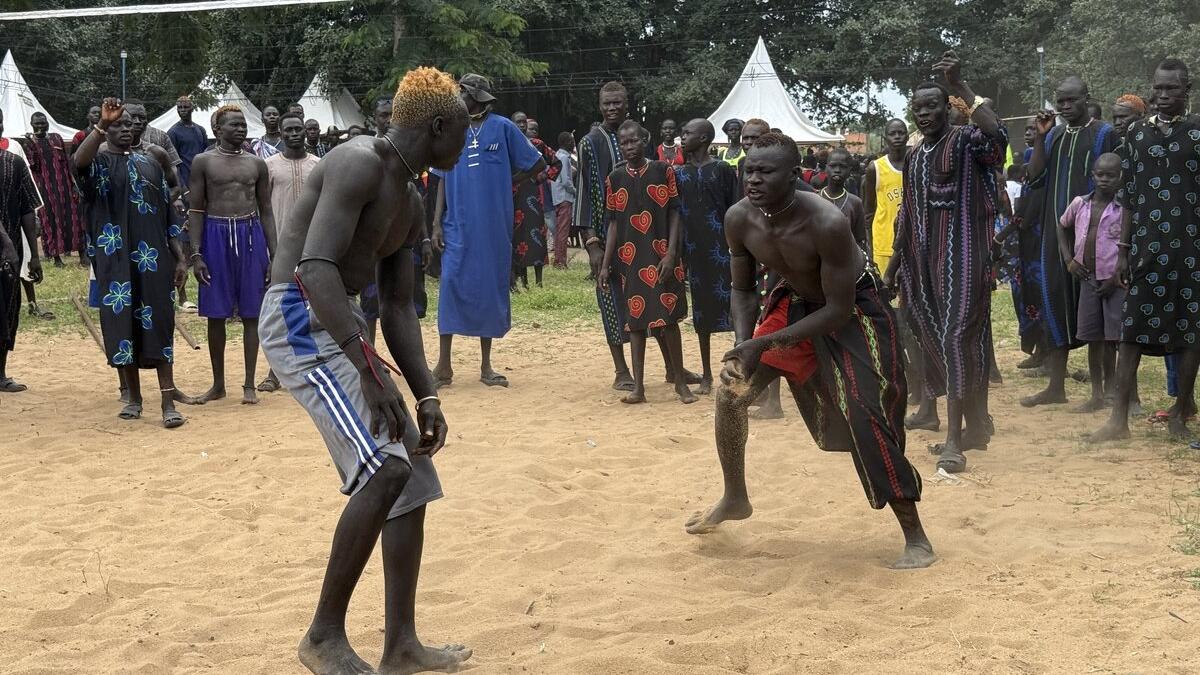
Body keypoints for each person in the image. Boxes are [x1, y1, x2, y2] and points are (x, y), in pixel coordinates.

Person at [259, 66, 469, 675]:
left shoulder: (408, 195)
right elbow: (313, 269)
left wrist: (425, 394)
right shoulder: (357, 163)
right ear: (437, 126)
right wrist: (372, 372)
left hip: (338, 321)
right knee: (384, 469)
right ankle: (323, 636)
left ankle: (400, 647)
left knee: (414, 474)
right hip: (299, 319)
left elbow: (399, 305)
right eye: (462, 131)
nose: (466, 143)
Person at [684, 132, 932, 569]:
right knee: (731, 394)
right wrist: (744, 348)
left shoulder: (826, 221)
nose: (753, 179)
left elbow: (837, 310)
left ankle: (915, 535)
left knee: (864, 414)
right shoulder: (739, 218)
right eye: (749, 171)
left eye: (766, 172)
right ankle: (735, 496)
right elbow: (742, 291)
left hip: (853, 309)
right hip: (793, 303)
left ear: (795, 175)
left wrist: (761, 342)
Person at [884, 52, 1008, 474]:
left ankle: (954, 440)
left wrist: (962, 86)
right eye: (917, 108)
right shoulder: (916, 157)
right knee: (939, 338)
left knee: (956, 338)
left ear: (947, 107)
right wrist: (894, 267)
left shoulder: (966, 140)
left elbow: (998, 139)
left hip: (964, 261)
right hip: (923, 269)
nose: (923, 113)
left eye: (931, 105)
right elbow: (907, 217)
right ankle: (975, 426)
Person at [1092, 59, 1200, 442]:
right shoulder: (1136, 134)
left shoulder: (1198, 133)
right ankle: (1117, 420)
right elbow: (1129, 198)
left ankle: (1179, 416)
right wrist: (1122, 252)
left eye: (1171, 89)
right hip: (1145, 249)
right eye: (1158, 89)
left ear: (1187, 90)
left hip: (1191, 250)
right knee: (1131, 332)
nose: (1163, 96)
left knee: (1189, 334)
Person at [74, 99, 197, 427]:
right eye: (118, 125)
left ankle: (168, 403)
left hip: (153, 259)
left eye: (129, 124)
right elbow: (77, 162)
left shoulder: (152, 160)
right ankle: (134, 397)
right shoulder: (97, 163)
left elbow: (168, 214)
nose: (125, 129)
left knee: (159, 324)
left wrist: (180, 258)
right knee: (122, 323)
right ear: (106, 130)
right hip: (114, 260)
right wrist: (100, 125)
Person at [576, 82, 699, 391]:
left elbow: (668, 203)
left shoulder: (642, 138)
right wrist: (592, 244)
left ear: (626, 103)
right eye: (607, 103)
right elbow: (584, 197)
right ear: (599, 105)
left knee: (657, 300)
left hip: (650, 238)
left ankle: (673, 368)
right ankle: (622, 370)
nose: (612, 107)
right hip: (610, 238)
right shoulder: (590, 142)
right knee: (613, 303)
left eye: (618, 102)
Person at [429, 74, 544, 388]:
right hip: (456, 225)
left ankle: (486, 366)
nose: (456, 96)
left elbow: (536, 164)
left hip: (493, 226)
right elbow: (439, 179)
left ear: (473, 95)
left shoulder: (504, 127)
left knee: (490, 289)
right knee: (450, 286)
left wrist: (509, 182)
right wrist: (437, 223)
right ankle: (443, 366)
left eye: (460, 92)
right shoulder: (450, 128)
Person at [1021, 77, 1117, 408]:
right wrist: (1042, 137)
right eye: (1059, 101)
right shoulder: (1056, 135)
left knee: (1098, 310)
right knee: (1054, 302)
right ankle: (1056, 387)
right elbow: (1034, 175)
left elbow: (1116, 179)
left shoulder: (1104, 133)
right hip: (1056, 231)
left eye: (1071, 100)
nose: (1064, 106)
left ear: (1086, 99)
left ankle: (1104, 392)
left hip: (1097, 235)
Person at [597, 120, 694, 404]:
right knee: (635, 323)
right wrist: (605, 263)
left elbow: (676, 212)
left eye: (634, 141)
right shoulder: (615, 178)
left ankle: (680, 383)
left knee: (669, 319)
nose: (629, 147)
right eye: (623, 143)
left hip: (663, 254)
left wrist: (671, 253)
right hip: (630, 257)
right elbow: (613, 223)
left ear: (644, 140)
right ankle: (639, 387)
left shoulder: (664, 171)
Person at [189, 105, 276, 404]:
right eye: (234, 125)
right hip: (215, 235)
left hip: (250, 235)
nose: (241, 129)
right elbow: (197, 209)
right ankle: (218, 384)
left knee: (252, 313)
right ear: (217, 130)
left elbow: (266, 210)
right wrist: (196, 254)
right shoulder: (203, 162)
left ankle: (250, 384)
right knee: (216, 313)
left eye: (243, 125)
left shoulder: (257, 164)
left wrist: (274, 254)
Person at [257, 112, 320, 393]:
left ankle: (313, 364)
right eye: (289, 130)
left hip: (314, 246)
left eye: (298, 129)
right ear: (280, 134)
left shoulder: (320, 166)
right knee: (280, 307)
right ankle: (275, 371)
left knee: (314, 306)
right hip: (280, 247)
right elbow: (263, 209)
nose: (294, 134)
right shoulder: (268, 167)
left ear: (306, 133)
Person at [1056, 153, 1124, 413]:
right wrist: (1068, 259)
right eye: (1100, 174)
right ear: (1092, 175)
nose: (1104, 180)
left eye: (1111, 175)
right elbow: (1062, 226)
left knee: (1113, 339)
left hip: (1115, 282)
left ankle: (1113, 393)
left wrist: (1118, 273)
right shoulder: (1080, 204)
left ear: (1120, 178)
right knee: (1093, 338)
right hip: (1088, 281)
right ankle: (1096, 394)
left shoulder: (1123, 209)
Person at [675, 119, 739, 395]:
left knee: (736, 313)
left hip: (722, 249)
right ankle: (707, 375)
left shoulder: (722, 169)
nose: (682, 137)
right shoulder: (679, 174)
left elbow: (734, 209)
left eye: (687, 133)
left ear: (703, 138)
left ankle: (738, 371)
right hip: (695, 251)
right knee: (701, 316)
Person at [0, 108, 44, 393]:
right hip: (7, 248)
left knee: (8, 309)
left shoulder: (14, 163)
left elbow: (28, 209)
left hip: (10, 254)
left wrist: (35, 256)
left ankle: (1, 373)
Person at [24, 112, 85, 267]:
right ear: (31, 124)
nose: (40, 126)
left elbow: (67, 162)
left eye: (43, 122)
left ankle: (82, 255)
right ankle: (57, 258)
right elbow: (34, 166)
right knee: (50, 221)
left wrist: (74, 186)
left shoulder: (56, 138)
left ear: (47, 123)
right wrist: (31, 145)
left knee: (74, 219)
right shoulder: (29, 143)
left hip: (64, 186)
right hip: (45, 190)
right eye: (37, 123)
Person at [511, 115, 559, 290]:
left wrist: (543, 177)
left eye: (524, 122)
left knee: (537, 237)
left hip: (534, 197)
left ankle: (539, 282)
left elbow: (556, 163)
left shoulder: (537, 144)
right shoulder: (508, 143)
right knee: (518, 239)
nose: (522, 125)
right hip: (514, 198)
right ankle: (523, 282)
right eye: (518, 122)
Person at [862, 119, 907, 273]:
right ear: (885, 138)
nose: (897, 137)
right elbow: (868, 213)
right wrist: (870, 247)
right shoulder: (875, 168)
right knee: (885, 292)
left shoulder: (915, 163)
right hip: (884, 242)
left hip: (911, 243)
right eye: (892, 133)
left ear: (907, 136)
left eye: (901, 133)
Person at [820, 147, 867, 251]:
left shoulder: (855, 203)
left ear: (849, 170)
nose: (837, 170)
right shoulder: (814, 199)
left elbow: (860, 240)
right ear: (826, 168)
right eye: (833, 166)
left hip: (846, 261)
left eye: (842, 166)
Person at [168, 96, 209, 191]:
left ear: (192, 108)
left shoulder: (200, 130)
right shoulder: (173, 132)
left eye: (185, 107)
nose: (182, 110)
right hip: (186, 182)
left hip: (203, 179)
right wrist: (182, 186)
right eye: (180, 107)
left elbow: (207, 154)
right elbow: (174, 163)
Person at [550, 131, 576, 269]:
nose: (573, 144)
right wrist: (576, 192)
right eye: (571, 141)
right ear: (566, 143)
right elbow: (566, 181)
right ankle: (561, 262)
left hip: (557, 197)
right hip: (565, 197)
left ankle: (558, 260)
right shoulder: (564, 158)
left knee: (559, 230)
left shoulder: (556, 155)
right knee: (563, 231)